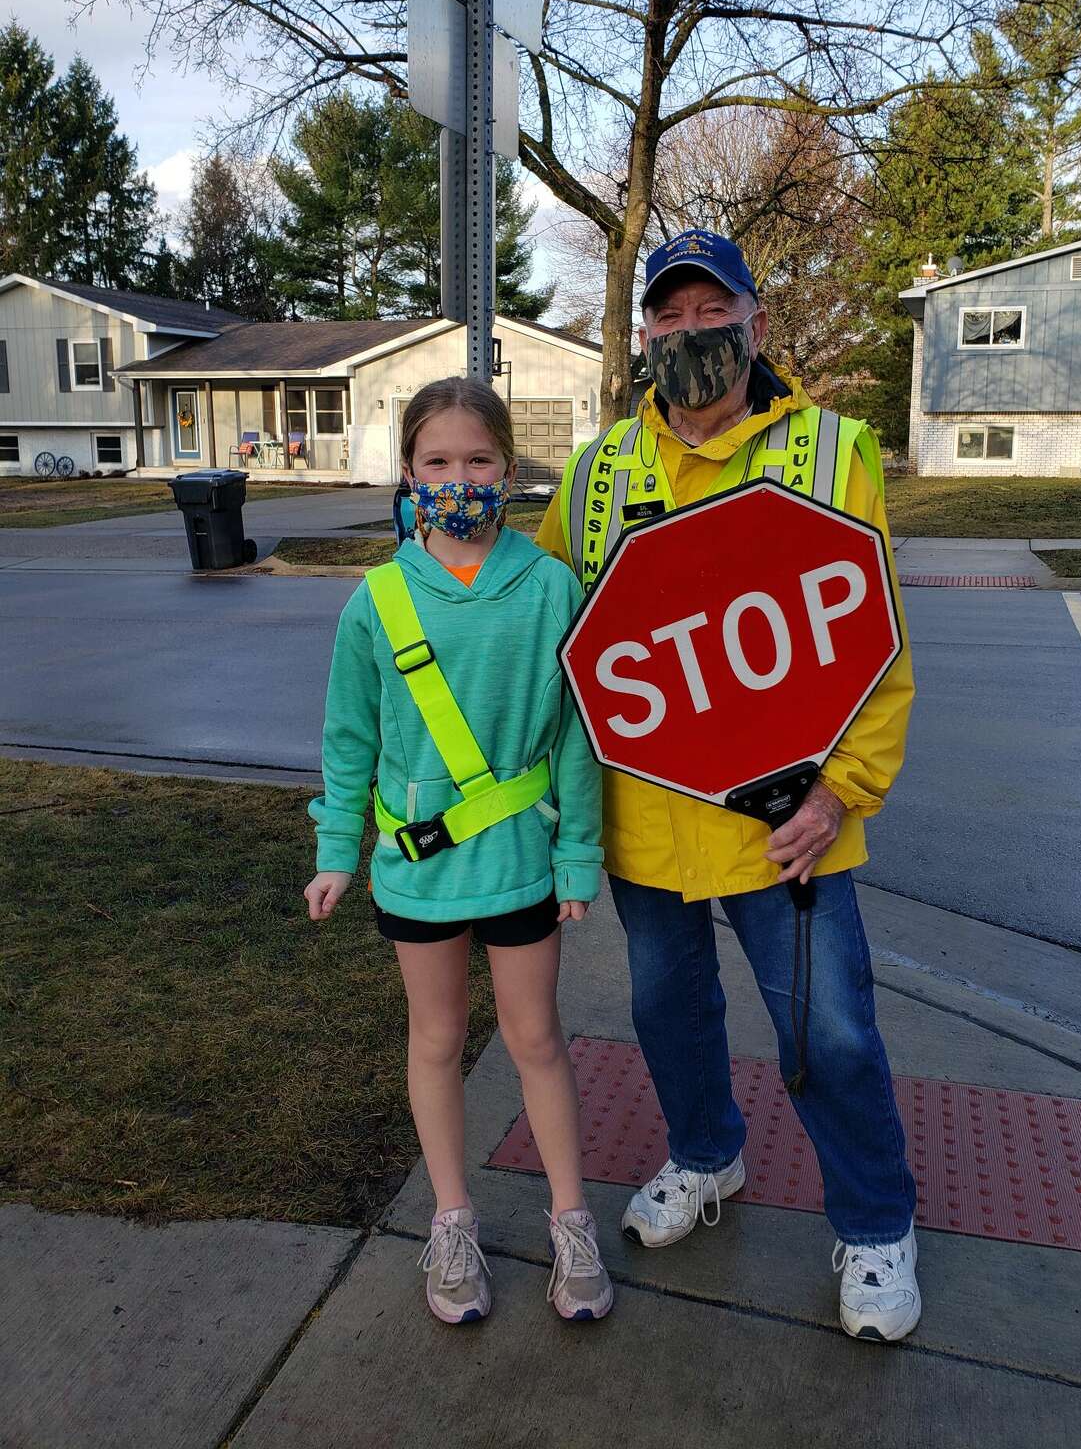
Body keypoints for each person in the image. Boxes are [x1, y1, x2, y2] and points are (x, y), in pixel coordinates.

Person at [537, 230, 920, 1343]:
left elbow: (877, 648)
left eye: (715, 311)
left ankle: (877, 1220)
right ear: (643, 333)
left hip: (788, 819)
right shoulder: (600, 468)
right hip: (646, 818)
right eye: (671, 314)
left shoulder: (831, 452)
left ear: (755, 321)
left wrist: (841, 792)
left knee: (832, 1031)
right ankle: (707, 1155)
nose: (692, 331)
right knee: (667, 1013)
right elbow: (556, 634)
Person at [305, 377, 613, 1327]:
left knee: (535, 1041)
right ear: (408, 473)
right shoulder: (380, 599)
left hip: (523, 858)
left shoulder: (552, 585)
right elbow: (349, 734)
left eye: (479, 460)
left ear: (510, 471)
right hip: (417, 866)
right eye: (437, 462)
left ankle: (572, 1221)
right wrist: (336, 849)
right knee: (435, 1040)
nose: (459, 478)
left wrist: (578, 856)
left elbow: (576, 733)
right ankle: (451, 1221)